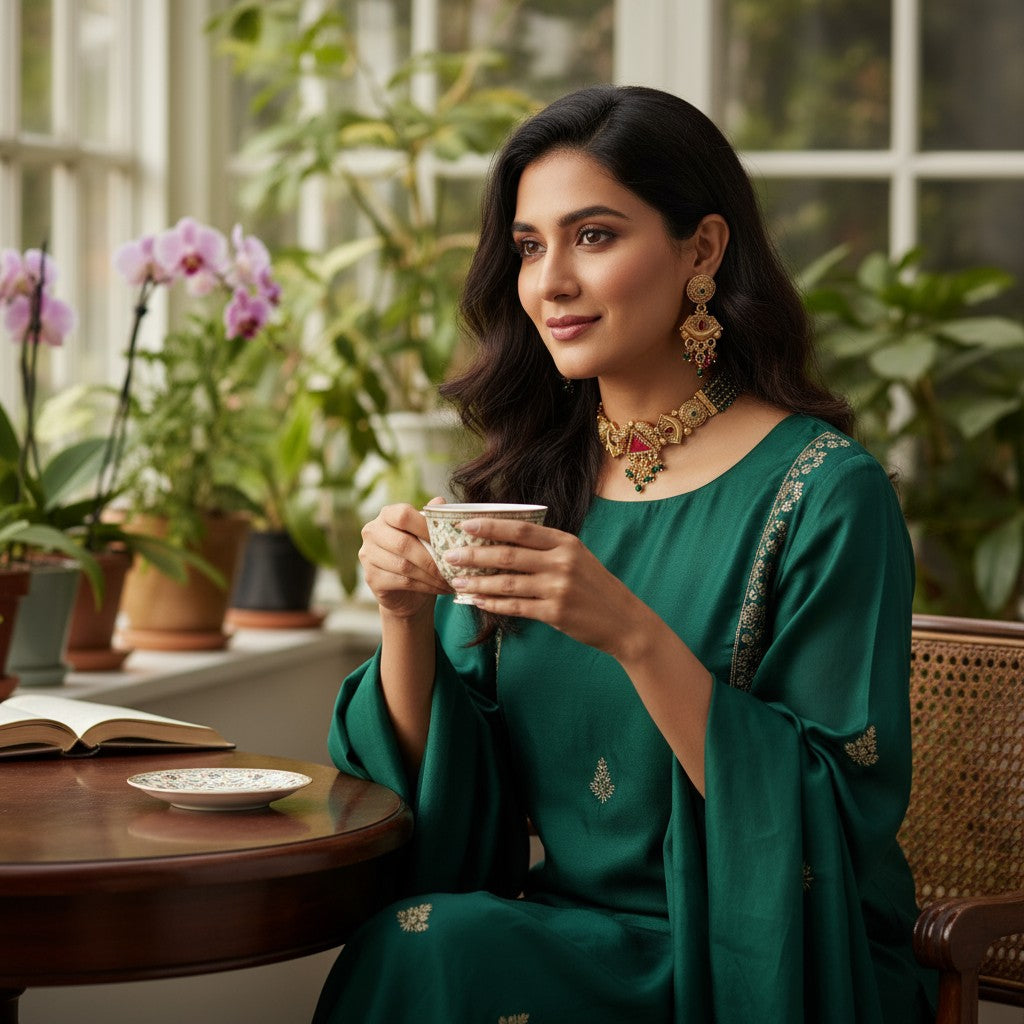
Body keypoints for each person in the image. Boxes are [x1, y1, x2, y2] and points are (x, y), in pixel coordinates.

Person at [313, 84, 938, 1023]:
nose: (549, 282)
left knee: (439, 955)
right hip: (565, 933)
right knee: (426, 940)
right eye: (530, 247)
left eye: (593, 236)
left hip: (761, 951)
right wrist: (401, 617)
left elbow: (835, 817)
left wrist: (632, 636)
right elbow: (442, 798)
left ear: (704, 249)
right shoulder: (531, 483)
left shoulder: (823, 492)